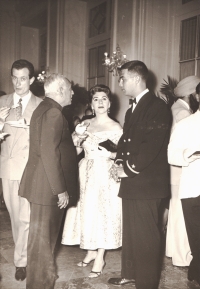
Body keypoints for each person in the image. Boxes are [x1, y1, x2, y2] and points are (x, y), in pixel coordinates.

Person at [108, 60, 171, 289]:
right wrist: (118, 163)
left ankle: (146, 283)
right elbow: (126, 143)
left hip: (147, 183)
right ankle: (130, 273)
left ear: (136, 78)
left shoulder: (157, 107)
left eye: (122, 78)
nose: (120, 83)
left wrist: (127, 169)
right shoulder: (132, 108)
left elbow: (151, 147)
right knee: (132, 234)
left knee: (145, 238)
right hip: (133, 182)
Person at [19, 73, 79, 289]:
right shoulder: (54, 113)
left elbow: (51, 147)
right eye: (70, 89)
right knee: (43, 248)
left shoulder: (43, 108)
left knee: (39, 246)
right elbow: (48, 154)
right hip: (48, 190)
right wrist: (60, 190)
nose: (73, 93)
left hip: (40, 187)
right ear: (61, 90)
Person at [62, 84, 123, 278]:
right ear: (91, 103)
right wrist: (77, 137)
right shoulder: (85, 124)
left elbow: (121, 155)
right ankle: (90, 251)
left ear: (110, 103)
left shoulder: (116, 127)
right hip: (86, 172)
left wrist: (111, 154)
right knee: (86, 212)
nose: (100, 102)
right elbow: (76, 152)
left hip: (105, 174)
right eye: (96, 99)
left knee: (102, 213)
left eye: (104, 98)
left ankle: (100, 257)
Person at [0, 59, 42, 281]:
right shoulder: (1, 102)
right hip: (8, 167)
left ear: (32, 80)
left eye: (23, 78)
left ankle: (22, 261)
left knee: (26, 218)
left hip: (31, 169)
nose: (18, 83)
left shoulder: (41, 104)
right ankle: (22, 256)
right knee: (16, 218)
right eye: (14, 77)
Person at [168, 81, 200, 286]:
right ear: (197, 97)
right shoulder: (185, 124)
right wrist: (189, 155)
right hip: (193, 188)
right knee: (196, 238)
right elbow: (172, 154)